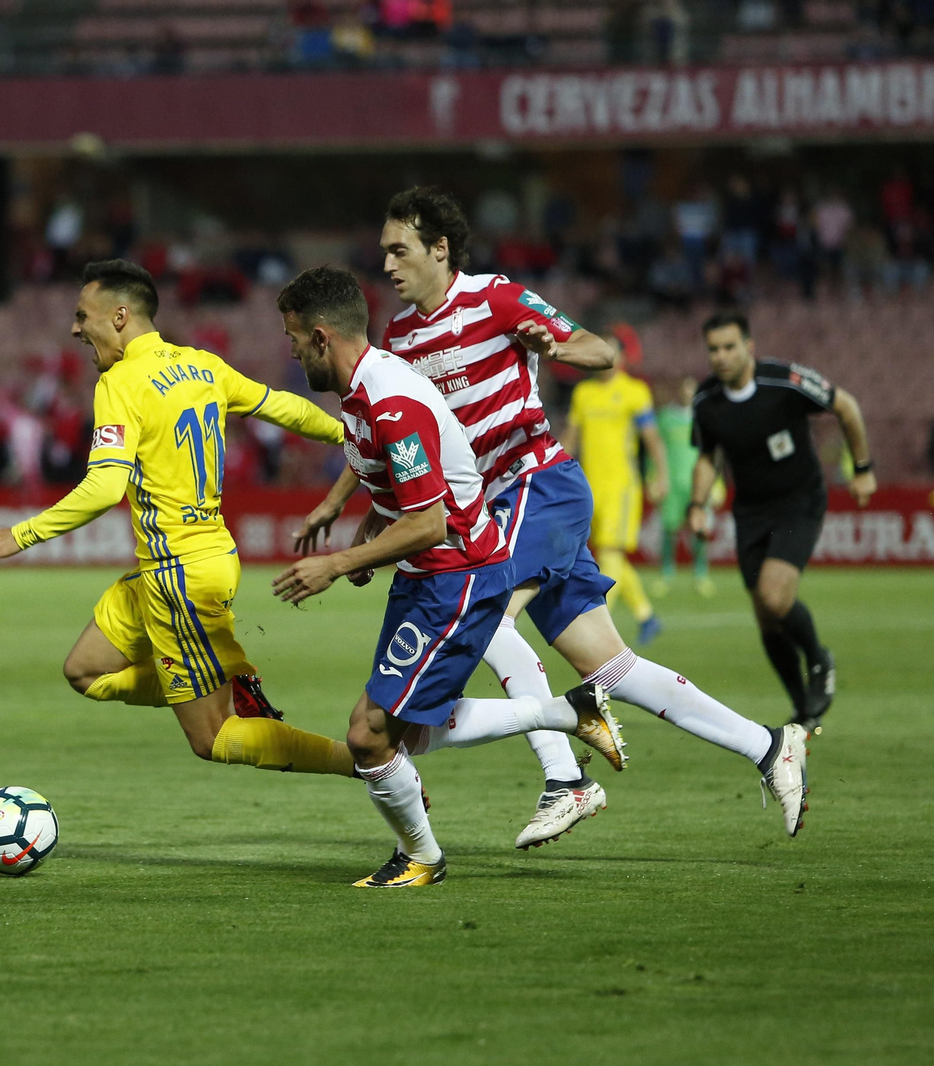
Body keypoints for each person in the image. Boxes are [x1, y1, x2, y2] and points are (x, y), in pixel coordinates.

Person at [298, 187, 809, 848]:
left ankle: (566, 779)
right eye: (384, 252)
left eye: (400, 250)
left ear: (440, 249)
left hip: (536, 486)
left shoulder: (497, 299)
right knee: (613, 670)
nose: (389, 265)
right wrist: (354, 504)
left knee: (481, 612)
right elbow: (392, 430)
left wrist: (559, 348)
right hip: (494, 507)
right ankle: (769, 745)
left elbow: (601, 351)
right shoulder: (398, 337)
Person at [271, 267, 626, 888]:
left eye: (295, 338)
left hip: (457, 575)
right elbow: (399, 482)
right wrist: (363, 533)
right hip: (430, 574)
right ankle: (567, 713)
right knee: (403, 734)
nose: (293, 351)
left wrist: (339, 563)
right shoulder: (365, 388)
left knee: (370, 736)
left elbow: (430, 521)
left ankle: (422, 859)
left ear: (322, 337)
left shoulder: (390, 402)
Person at [0, 260, 356, 780]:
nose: (75, 329)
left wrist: (21, 534)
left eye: (83, 316)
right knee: (84, 670)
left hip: (180, 574)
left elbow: (106, 487)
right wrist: (349, 432)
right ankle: (214, 679)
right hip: (191, 562)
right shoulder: (203, 366)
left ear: (119, 316)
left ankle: (360, 761)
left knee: (212, 737)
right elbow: (284, 407)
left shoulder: (121, 382)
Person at [688, 310, 875, 732]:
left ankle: (819, 658)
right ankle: (804, 712)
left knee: (774, 597)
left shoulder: (785, 381)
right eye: (713, 349)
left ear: (749, 347)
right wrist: (697, 505)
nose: (721, 356)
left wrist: (863, 468)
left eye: (729, 347)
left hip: (798, 501)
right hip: (750, 510)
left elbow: (846, 406)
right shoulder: (705, 400)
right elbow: (708, 456)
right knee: (766, 616)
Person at [562, 332, 669, 644]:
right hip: (589, 487)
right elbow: (571, 439)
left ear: (621, 357)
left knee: (610, 552)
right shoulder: (583, 393)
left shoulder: (635, 391)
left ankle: (598, 622)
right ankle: (647, 616)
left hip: (622, 487)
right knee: (611, 554)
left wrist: (660, 476)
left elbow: (652, 439)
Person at [654, 377, 718, 596]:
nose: (687, 394)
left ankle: (701, 575)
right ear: (680, 391)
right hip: (672, 484)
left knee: (699, 530)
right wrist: (654, 478)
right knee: (669, 530)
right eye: (685, 390)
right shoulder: (666, 418)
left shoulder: (704, 416)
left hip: (698, 485)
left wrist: (717, 484)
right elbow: (656, 451)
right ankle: (666, 574)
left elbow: (714, 453)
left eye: (692, 390)